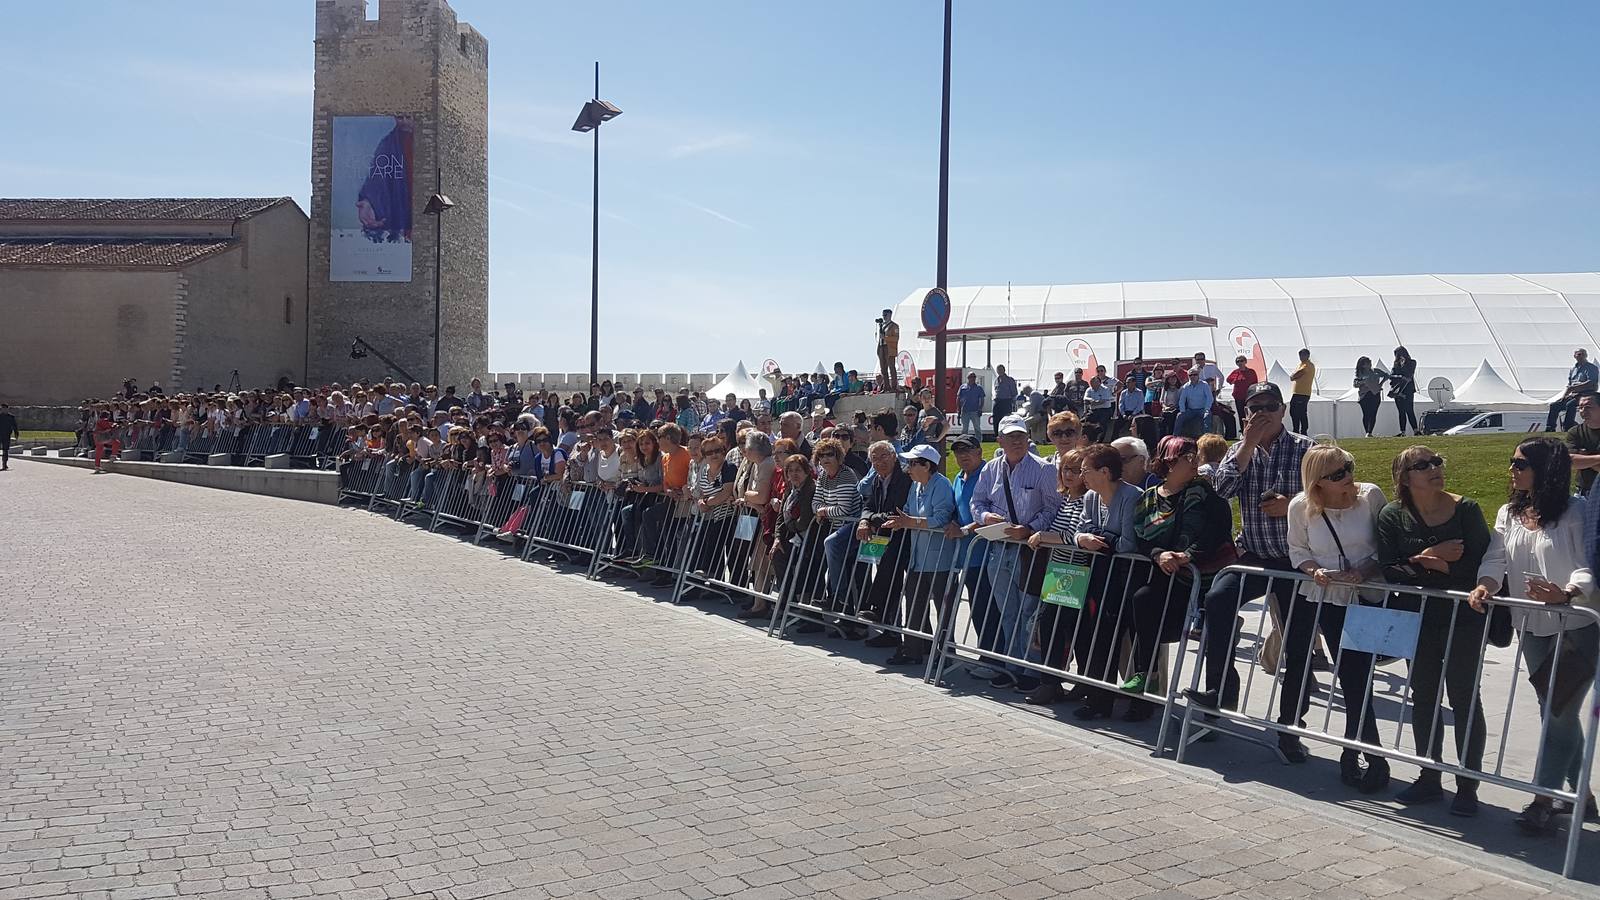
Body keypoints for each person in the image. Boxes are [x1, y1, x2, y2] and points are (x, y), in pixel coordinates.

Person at [1470, 438, 1594, 833]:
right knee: (1553, 710)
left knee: (1558, 712)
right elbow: (1496, 557)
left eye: (1520, 463)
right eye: (1512, 462)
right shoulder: (1510, 511)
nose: (1513, 469)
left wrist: (1567, 592)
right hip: (1532, 626)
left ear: (1545, 468)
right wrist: (1486, 586)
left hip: (1578, 627)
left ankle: (1542, 799)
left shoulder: (1577, 510)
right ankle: (1582, 797)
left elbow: (1586, 563)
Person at [1188, 382, 1315, 763]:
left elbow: (1336, 497)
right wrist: (1246, 444)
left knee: (1297, 644)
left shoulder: (1308, 450)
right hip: (1255, 553)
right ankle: (1220, 692)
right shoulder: (1239, 451)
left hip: (1297, 560)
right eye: (1253, 407)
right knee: (1217, 599)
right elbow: (1221, 489)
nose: (1261, 413)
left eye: (1270, 406)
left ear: (1283, 410)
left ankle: (1291, 725)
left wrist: (1293, 504)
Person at [1375, 445, 1490, 816]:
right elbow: (1389, 568)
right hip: (1418, 614)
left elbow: (1479, 567)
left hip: (1463, 615)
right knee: (1423, 694)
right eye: (1421, 465)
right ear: (1404, 478)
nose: (1433, 469)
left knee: (1463, 696)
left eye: (1436, 461)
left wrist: (1437, 568)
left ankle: (1467, 784)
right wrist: (1428, 557)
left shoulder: (1466, 510)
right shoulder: (1394, 515)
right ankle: (1428, 775)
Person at [1287, 445, 1391, 792]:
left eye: (1349, 467)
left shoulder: (1370, 496)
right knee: (1351, 675)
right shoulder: (1301, 507)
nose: (1347, 477)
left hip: (1368, 594)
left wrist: (1366, 569)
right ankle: (1365, 755)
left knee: (1359, 675)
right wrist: (1314, 570)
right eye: (1337, 474)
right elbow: (1298, 550)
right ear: (1318, 482)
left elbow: (1385, 542)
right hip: (1329, 597)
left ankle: (1362, 753)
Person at [1123, 437, 1232, 717]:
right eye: (1186, 457)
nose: (1194, 461)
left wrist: (1188, 555)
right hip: (1168, 575)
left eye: (1195, 455)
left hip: (1207, 578)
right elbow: (1141, 536)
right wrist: (1160, 554)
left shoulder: (1205, 493)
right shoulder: (1149, 498)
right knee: (1142, 599)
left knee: (1216, 638)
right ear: (1168, 463)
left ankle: (1215, 711)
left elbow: (1218, 529)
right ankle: (1147, 672)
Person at [970, 415, 1064, 691]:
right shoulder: (991, 469)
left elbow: (1052, 508)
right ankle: (1011, 666)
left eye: (1021, 435)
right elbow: (978, 501)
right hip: (998, 549)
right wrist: (986, 517)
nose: (1016, 441)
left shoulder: (1043, 469)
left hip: (1029, 551)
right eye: (1010, 436)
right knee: (1007, 612)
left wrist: (1030, 529)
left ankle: (1030, 671)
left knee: (1028, 612)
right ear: (999, 440)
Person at [1066, 442, 1142, 719]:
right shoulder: (1091, 498)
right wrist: (1083, 539)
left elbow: (1128, 543)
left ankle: (1141, 702)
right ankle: (1098, 699)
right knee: (1099, 636)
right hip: (1099, 574)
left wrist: (1098, 538)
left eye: (1086, 470)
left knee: (1130, 640)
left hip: (1127, 577)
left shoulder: (1132, 497)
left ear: (1105, 471)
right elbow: (1082, 530)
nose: (1082, 475)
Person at [1021, 448, 1090, 706]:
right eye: (1065, 469)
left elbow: (1077, 536)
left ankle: (1080, 682)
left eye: (1076, 470)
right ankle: (1050, 682)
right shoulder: (1066, 500)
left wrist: (1045, 537)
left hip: (1076, 572)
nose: (1069, 475)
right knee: (1049, 626)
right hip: (1058, 571)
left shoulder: (1087, 500)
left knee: (1072, 629)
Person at [881, 445, 958, 665]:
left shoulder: (942, 485)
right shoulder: (915, 486)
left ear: (927, 466)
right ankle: (911, 650)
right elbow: (907, 511)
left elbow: (942, 519)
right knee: (913, 603)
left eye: (913, 463)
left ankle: (945, 654)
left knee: (943, 609)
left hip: (939, 559)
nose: (908, 468)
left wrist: (909, 522)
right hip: (918, 557)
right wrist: (899, 522)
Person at [1547, 349, 1598, 433]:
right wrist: (1564, 396)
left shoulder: (1591, 368)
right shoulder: (1573, 369)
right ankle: (1550, 427)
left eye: (1582, 354)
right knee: (1555, 405)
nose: (1580, 356)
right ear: (1574, 356)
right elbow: (1569, 385)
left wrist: (1574, 388)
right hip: (1573, 394)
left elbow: (1591, 383)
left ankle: (1568, 426)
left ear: (1586, 355)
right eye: (1578, 354)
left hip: (1586, 394)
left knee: (1570, 404)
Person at [1568, 393, 1600, 496]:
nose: (1583, 411)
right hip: (1585, 491)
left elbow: (1579, 460)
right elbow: (1571, 461)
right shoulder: (1575, 432)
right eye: (1580, 407)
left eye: (1588, 407)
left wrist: (1585, 457)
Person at [1353, 357, 1387, 438]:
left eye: (1370, 362)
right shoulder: (1360, 374)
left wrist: (1381, 384)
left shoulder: (1376, 371)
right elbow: (1355, 384)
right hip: (1364, 395)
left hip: (1375, 394)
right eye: (1367, 363)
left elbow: (1386, 375)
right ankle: (1367, 432)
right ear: (1363, 365)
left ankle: (1369, 432)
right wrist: (1363, 382)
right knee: (1366, 414)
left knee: (1373, 413)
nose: (1369, 364)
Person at [1175, 368, 1213, 438]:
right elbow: (1182, 400)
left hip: (1203, 409)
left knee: (1207, 416)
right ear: (1188, 376)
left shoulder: (1204, 385)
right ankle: (1175, 437)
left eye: (1195, 374)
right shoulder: (1186, 386)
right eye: (1190, 375)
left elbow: (1210, 398)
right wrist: (1182, 411)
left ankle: (1207, 438)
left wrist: (1207, 409)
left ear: (1198, 375)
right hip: (1191, 410)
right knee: (1179, 416)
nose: (1193, 376)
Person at [1390, 347, 1419, 436]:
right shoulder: (1396, 364)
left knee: (1409, 410)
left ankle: (1416, 430)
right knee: (1401, 411)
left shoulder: (1412, 362)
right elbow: (1392, 375)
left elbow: (1409, 374)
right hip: (1398, 390)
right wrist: (1399, 376)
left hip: (1408, 390)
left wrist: (1403, 365)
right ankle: (1402, 431)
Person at [1289, 349, 1315, 435]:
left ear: (1307, 355)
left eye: (1303, 355)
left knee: (1300, 412)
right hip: (1298, 392)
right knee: (1294, 411)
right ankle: (1296, 430)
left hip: (1302, 393)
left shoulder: (1307, 365)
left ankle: (1302, 431)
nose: (1301, 357)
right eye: (1300, 355)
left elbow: (1297, 374)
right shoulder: (1301, 364)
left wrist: (1293, 376)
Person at [876, 309, 900, 393]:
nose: (884, 317)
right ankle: (886, 386)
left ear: (890, 315)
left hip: (889, 348)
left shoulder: (894, 326)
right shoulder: (882, 325)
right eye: (883, 315)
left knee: (891, 368)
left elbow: (896, 338)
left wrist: (886, 338)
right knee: (883, 369)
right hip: (882, 347)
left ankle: (894, 386)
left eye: (885, 315)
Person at [957, 373, 986, 437]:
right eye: (971, 377)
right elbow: (958, 398)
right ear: (968, 378)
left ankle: (978, 442)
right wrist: (958, 409)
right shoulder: (962, 387)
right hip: (965, 411)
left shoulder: (979, 387)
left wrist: (980, 409)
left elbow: (982, 399)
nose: (972, 378)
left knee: (977, 428)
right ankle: (964, 441)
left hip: (975, 411)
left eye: (974, 377)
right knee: (964, 429)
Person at [0, 403, 17, 470]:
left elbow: (14, 426)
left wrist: (16, 433)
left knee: (5, 450)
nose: (3, 410)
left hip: (7, 435)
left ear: (7, 409)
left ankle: (4, 464)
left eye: (4, 409)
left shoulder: (11, 417)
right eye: (2, 408)